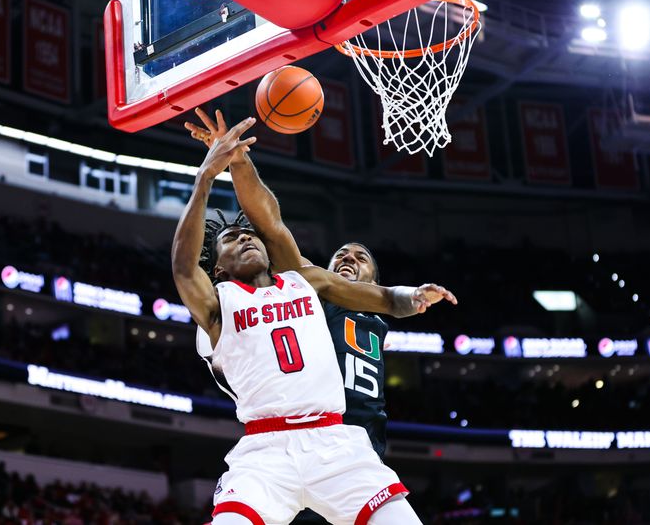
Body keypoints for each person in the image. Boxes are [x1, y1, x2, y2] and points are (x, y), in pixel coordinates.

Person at [174, 116, 454, 524]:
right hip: (265, 451)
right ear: (217, 269)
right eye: (231, 239)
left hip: (337, 443)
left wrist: (413, 298)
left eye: (247, 234)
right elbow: (183, 268)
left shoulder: (302, 281)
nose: (245, 237)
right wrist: (205, 177)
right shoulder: (217, 304)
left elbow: (381, 298)